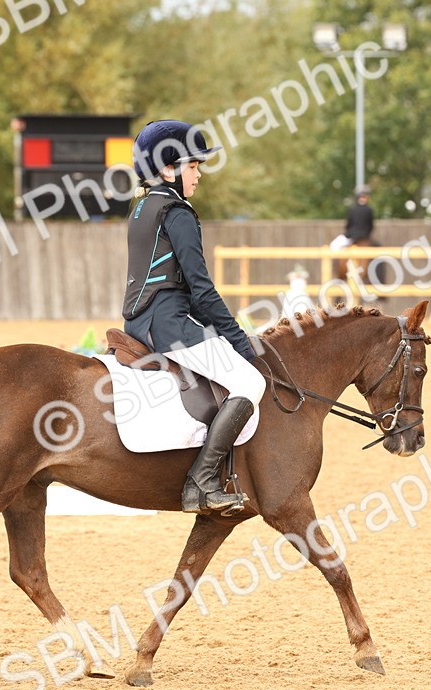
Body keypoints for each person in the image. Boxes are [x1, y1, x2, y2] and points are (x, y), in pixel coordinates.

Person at [123, 120, 266, 515]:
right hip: (168, 326)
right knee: (249, 381)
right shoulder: (178, 212)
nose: (199, 174)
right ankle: (201, 482)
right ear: (169, 168)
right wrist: (240, 342)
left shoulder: (142, 208)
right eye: (193, 166)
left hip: (139, 323)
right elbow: (202, 291)